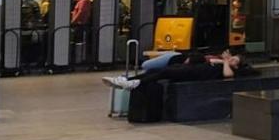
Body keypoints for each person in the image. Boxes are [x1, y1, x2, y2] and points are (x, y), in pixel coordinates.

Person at [102, 48, 253, 90]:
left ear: (237, 65)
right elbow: (209, 59)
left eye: (234, 60)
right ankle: (128, 81)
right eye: (232, 57)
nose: (231, 59)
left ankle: (133, 83)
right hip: (191, 68)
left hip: (194, 73)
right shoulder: (220, 61)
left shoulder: (228, 69)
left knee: (165, 72)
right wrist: (223, 59)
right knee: (155, 72)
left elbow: (228, 76)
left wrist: (226, 61)